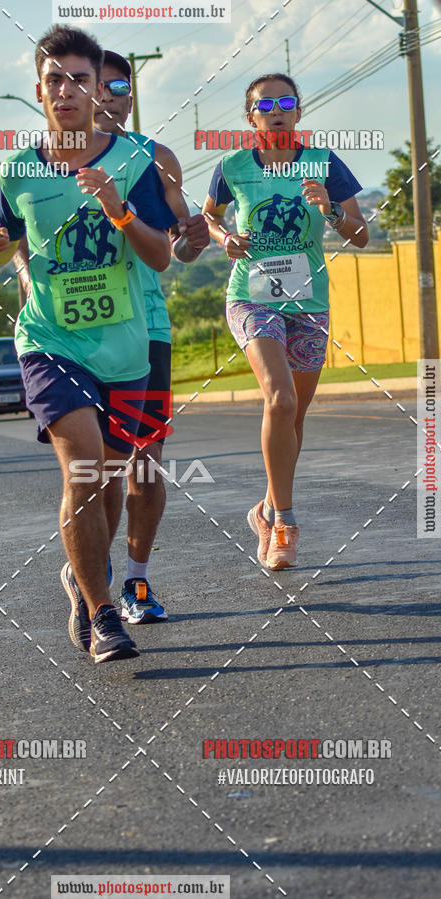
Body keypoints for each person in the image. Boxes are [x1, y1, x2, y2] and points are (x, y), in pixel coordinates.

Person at [0, 25, 177, 664]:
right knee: (82, 465)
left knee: (109, 479)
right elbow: (0, 239)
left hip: (124, 346)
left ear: (98, 90)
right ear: (39, 90)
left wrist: (119, 208)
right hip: (49, 339)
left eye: (80, 80)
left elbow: (161, 256)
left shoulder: (134, 161)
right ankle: (102, 611)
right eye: (54, 80)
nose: (66, 91)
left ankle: (82, 577)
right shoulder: (16, 170)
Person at [13, 49, 209, 627]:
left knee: (141, 465)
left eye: (121, 84)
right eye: (99, 83)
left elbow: (177, 247)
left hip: (144, 328)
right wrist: (34, 287)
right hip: (70, 334)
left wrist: (194, 240)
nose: (109, 95)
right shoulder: (43, 166)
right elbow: (20, 240)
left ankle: (135, 578)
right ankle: (93, 583)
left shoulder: (153, 158)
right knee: (93, 467)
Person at [202, 73, 369, 570]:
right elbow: (209, 218)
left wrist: (333, 210)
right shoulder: (232, 166)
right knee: (280, 397)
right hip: (252, 298)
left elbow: (359, 234)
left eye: (285, 102)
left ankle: (265, 508)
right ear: (250, 116)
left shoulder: (324, 162)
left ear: (298, 112)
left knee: (293, 420)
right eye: (264, 104)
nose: (275, 110)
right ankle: (285, 524)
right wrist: (223, 238)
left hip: (309, 301)